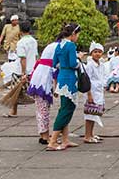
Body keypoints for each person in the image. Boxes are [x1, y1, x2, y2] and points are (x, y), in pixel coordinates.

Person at [47, 23, 82, 151]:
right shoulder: (71, 46)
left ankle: (65, 139)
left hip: (62, 77)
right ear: (73, 34)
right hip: (70, 79)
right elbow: (73, 63)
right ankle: (53, 140)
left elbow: (54, 63)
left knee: (64, 107)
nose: (77, 37)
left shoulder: (59, 45)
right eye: (77, 34)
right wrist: (78, 59)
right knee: (67, 110)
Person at [1, 21, 37, 117]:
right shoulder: (34, 41)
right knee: (30, 91)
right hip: (32, 69)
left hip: (20, 70)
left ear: (20, 30)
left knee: (15, 91)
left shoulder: (21, 42)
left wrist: (23, 72)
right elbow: (36, 56)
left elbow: (22, 59)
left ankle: (14, 111)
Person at [27, 38, 57, 145]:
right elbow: (56, 67)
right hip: (43, 80)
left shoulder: (51, 46)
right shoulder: (58, 47)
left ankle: (44, 134)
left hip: (40, 77)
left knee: (41, 109)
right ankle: (45, 136)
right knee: (43, 110)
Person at [84, 42, 106, 144]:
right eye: (95, 52)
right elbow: (87, 80)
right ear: (91, 53)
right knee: (90, 114)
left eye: (99, 52)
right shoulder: (90, 65)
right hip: (92, 91)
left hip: (98, 92)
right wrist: (89, 94)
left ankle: (91, 134)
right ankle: (87, 135)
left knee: (95, 113)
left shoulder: (101, 64)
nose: (97, 54)